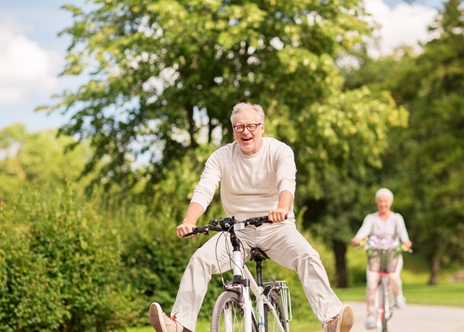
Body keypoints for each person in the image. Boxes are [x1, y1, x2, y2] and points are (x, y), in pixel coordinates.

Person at [149, 102, 354, 332]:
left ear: (262, 127)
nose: (245, 132)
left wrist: (282, 208)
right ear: (233, 130)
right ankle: (180, 325)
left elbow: (286, 181)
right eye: (239, 127)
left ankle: (331, 320)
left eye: (251, 126)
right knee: (200, 261)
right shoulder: (221, 156)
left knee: (307, 256)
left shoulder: (279, 151)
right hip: (237, 232)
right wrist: (189, 221)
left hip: (277, 228)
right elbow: (204, 189)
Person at [350, 188, 412, 330]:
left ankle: (399, 296)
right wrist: (357, 239)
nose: (383, 204)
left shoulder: (397, 218)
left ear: (390, 203)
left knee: (394, 276)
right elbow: (363, 231)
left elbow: (403, 234)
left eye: (386, 201)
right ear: (377, 203)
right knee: (371, 284)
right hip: (376, 257)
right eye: (380, 201)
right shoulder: (371, 218)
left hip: (392, 256)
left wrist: (406, 242)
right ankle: (371, 316)